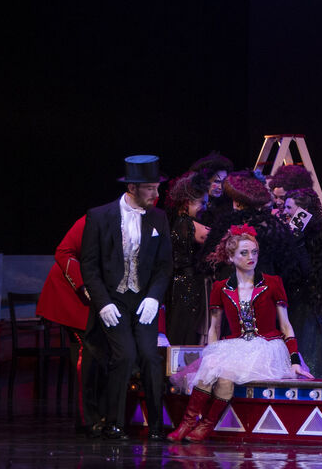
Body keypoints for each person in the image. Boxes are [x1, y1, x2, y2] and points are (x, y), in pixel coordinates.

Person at [166, 225, 309, 442]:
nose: (250, 257)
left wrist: (294, 359)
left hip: (266, 346)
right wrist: (211, 354)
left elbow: (286, 325)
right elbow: (214, 327)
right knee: (208, 374)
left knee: (224, 379)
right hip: (235, 345)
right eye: (244, 253)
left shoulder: (272, 283)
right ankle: (187, 424)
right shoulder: (221, 287)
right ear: (231, 257)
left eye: (254, 252)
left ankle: (205, 426)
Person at [79, 155, 173, 441]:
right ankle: (114, 422)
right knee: (125, 355)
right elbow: (89, 265)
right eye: (149, 188)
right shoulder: (99, 216)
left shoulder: (159, 217)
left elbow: (164, 264)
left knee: (149, 356)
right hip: (113, 300)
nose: (156, 194)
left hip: (143, 301)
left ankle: (157, 425)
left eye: (157, 188)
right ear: (132, 188)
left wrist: (155, 297)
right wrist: (102, 302)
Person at [267, 164, 322, 380]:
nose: (284, 212)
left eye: (289, 208)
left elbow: (311, 273)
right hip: (294, 303)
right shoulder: (289, 236)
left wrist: (298, 241)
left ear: (303, 213)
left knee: (313, 354)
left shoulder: (321, 238)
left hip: (311, 308)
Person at [39, 212, 106, 433]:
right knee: (86, 353)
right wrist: (83, 284)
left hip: (99, 296)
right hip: (71, 294)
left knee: (100, 354)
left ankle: (101, 415)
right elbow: (63, 252)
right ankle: (88, 420)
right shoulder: (95, 219)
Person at [163, 171, 213, 348]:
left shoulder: (173, 221)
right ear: (187, 202)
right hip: (189, 285)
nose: (205, 208)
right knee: (187, 330)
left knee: (178, 327)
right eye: (202, 203)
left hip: (176, 284)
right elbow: (214, 238)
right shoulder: (190, 225)